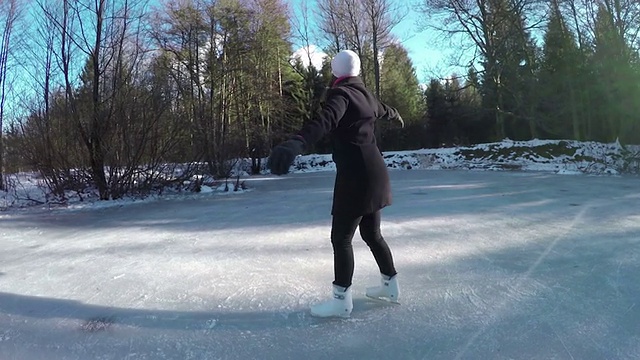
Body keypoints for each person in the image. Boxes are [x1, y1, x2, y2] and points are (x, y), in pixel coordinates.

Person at [267, 50, 403, 318]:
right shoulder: (366, 95)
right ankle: (391, 287)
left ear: (335, 72)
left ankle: (341, 301)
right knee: (372, 235)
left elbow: (324, 121)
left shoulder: (341, 95)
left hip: (355, 176)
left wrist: (296, 143)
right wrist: (396, 114)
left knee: (341, 238)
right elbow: (384, 110)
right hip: (376, 173)